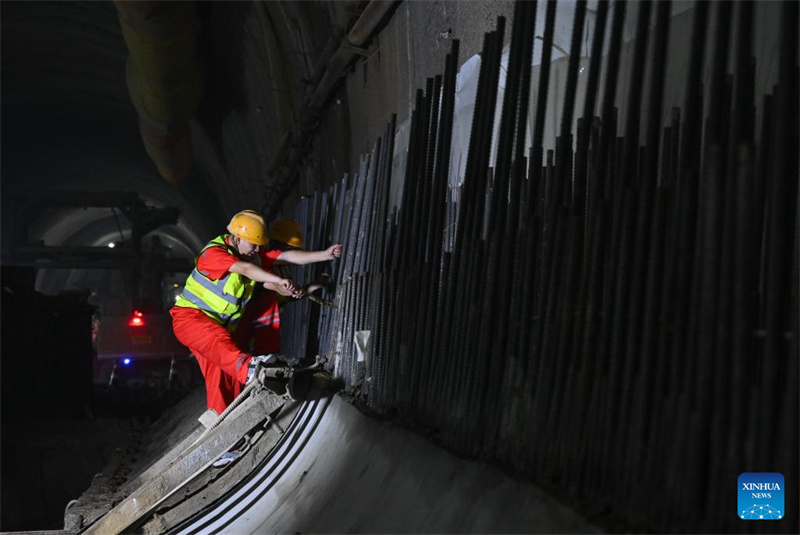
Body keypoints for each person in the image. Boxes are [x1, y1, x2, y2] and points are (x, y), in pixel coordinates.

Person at [171, 210, 341, 417]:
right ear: (237, 238)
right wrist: (279, 282)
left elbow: (286, 258)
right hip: (190, 319)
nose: (257, 249)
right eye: (253, 244)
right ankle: (253, 370)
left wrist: (325, 254)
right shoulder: (214, 254)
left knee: (223, 378)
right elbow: (245, 270)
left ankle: (226, 431)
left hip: (217, 324)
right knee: (220, 345)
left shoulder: (252, 256)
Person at [234, 218, 330, 358]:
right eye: (289, 248)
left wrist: (310, 287)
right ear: (275, 244)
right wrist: (279, 286)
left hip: (261, 336)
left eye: (294, 249)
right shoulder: (264, 264)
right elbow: (267, 286)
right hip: (251, 330)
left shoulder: (282, 269)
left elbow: (285, 298)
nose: (292, 252)